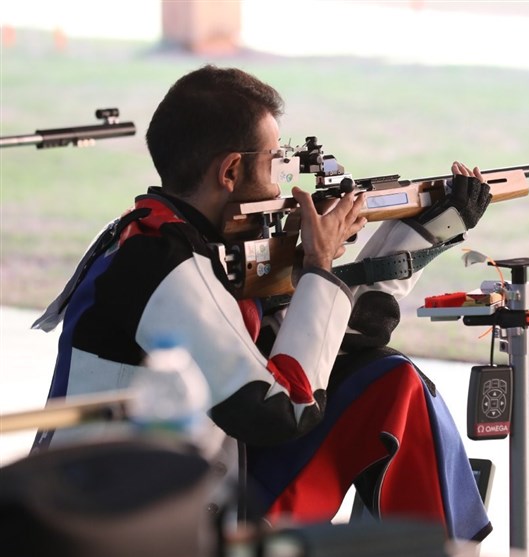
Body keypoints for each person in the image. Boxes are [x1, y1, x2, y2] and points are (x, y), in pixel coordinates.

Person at [30, 65, 493, 542]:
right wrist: (317, 261)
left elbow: (344, 336)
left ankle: (437, 549)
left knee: (391, 379)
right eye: (275, 163)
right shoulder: (164, 264)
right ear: (230, 170)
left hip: (176, 474)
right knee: (392, 381)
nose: (280, 185)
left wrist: (422, 231)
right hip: (131, 520)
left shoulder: (166, 236)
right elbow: (285, 407)